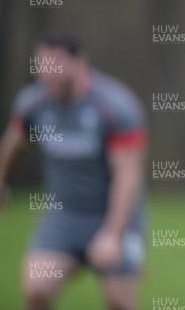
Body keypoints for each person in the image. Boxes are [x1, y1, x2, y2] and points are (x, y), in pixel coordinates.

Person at [0, 32, 148, 310]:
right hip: (64, 218)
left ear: (80, 62)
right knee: (37, 290)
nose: (48, 73)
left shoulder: (115, 106)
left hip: (117, 216)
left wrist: (112, 235)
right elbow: (13, 144)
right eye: (42, 65)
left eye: (56, 64)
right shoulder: (33, 104)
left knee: (120, 302)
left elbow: (128, 176)